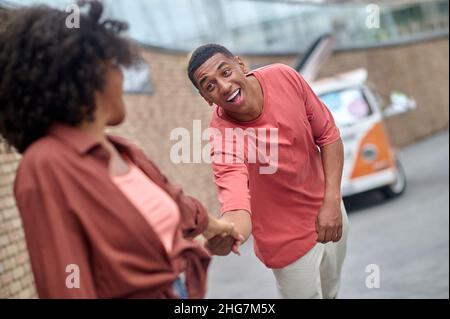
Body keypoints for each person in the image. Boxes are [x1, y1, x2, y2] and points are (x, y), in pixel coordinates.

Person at [0, 3, 242, 299]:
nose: (122, 77)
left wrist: (217, 227)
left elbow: (175, 203)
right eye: (114, 63)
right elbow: (67, 286)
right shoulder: (46, 165)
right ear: (89, 75)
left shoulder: (121, 150)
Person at [187, 44, 350, 299]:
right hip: (287, 243)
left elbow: (328, 135)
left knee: (332, 292)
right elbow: (236, 202)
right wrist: (228, 231)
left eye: (225, 72)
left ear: (240, 65)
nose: (224, 86)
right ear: (206, 98)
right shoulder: (223, 139)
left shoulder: (284, 77)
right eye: (210, 85)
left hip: (331, 213)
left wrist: (331, 201)